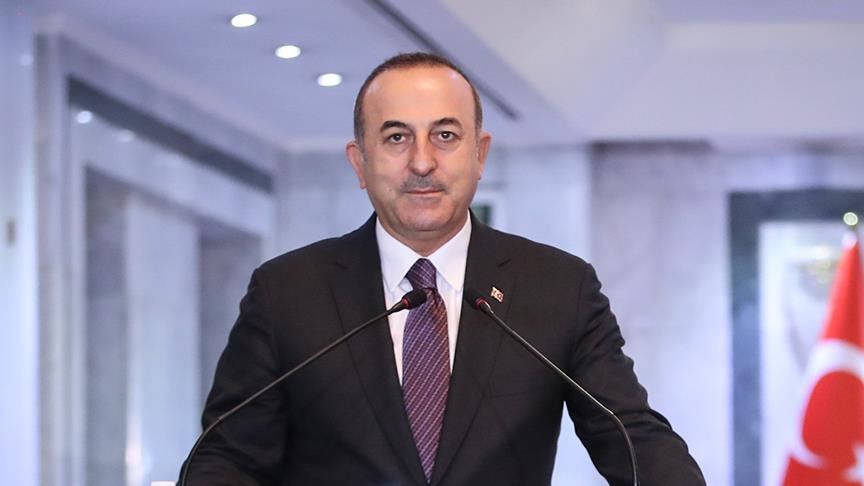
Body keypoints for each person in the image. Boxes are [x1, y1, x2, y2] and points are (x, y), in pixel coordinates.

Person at [186, 52, 705, 485]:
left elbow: (632, 437)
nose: (422, 162)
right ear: (359, 162)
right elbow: (227, 458)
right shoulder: (288, 292)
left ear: (480, 154)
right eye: (396, 137)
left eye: (446, 136)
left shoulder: (558, 288)